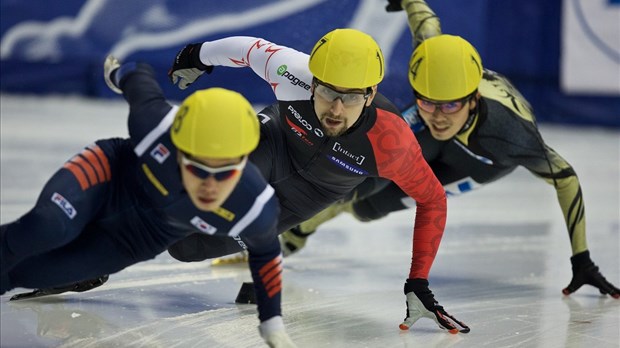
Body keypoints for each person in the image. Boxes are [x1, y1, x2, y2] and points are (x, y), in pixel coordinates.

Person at [280, 0, 620, 299]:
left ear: (473, 100)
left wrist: (581, 258)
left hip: (480, 160)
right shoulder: (433, 63)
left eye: (450, 106)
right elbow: (425, 20)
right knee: (359, 175)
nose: (438, 117)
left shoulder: (510, 134)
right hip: (436, 134)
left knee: (369, 209)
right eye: (427, 102)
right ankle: (292, 235)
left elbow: (566, 177)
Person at [166, 28, 469, 333]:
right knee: (213, 193)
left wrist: (418, 282)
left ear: (371, 94)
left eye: (350, 97)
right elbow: (250, 50)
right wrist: (196, 56)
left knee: (185, 248)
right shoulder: (292, 72)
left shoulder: (392, 143)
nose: (336, 109)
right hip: (272, 145)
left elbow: (432, 198)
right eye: (327, 92)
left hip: (306, 198)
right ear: (312, 83)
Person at [0, 56, 297, 347]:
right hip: (108, 177)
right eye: (197, 168)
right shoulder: (156, 126)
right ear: (177, 149)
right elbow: (137, 77)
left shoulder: (254, 203)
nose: (210, 185)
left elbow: (266, 256)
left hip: (138, 238)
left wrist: (272, 324)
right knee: (46, 227)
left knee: (32, 273)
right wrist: (119, 70)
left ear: (244, 162)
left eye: (225, 172)